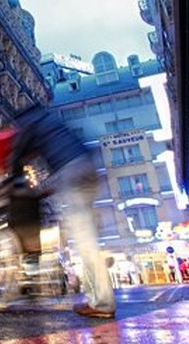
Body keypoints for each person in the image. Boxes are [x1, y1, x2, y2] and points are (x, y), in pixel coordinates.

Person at [9, 105, 116, 319]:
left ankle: (103, 303)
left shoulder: (30, 123)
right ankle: (96, 299)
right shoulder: (50, 121)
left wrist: (15, 180)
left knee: (84, 241)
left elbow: (19, 155)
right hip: (86, 168)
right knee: (86, 238)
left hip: (71, 171)